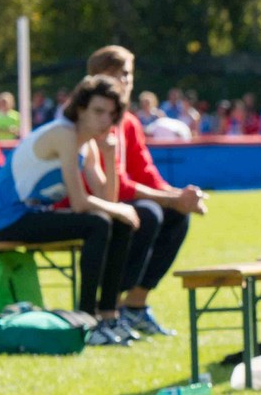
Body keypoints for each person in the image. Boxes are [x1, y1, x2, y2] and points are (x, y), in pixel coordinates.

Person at [0, 75, 141, 345]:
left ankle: (108, 315)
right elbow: (80, 203)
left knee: (118, 223)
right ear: (80, 109)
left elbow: (107, 199)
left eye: (111, 114)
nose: (105, 120)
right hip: (9, 218)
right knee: (99, 223)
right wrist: (119, 209)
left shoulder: (88, 145)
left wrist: (108, 157)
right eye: (98, 111)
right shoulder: (63, 134)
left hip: (35, 216)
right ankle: (87, 319)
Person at [83, 46, 209, 337]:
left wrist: (182, 197)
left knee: (176, 215)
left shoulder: (129, 121)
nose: (124, 81)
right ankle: (110, 306)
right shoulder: (92, 118)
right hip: (88, 202)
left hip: (117, 199)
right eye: (115, 74)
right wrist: (171, 198)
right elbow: (115, 183)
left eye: (127, 74)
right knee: (148, 214)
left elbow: (146, 173)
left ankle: (135, 305)